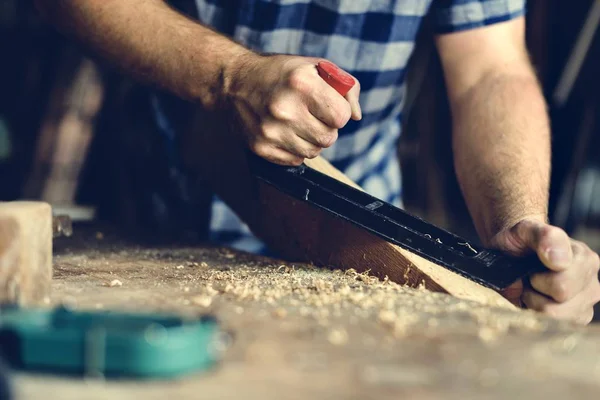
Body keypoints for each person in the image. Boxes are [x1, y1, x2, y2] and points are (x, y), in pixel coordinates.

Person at [37, 0, 600, 324]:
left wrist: (517, 226)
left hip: (357, 253)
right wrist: (230, 76)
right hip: (142, 219)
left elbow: (490, 71)